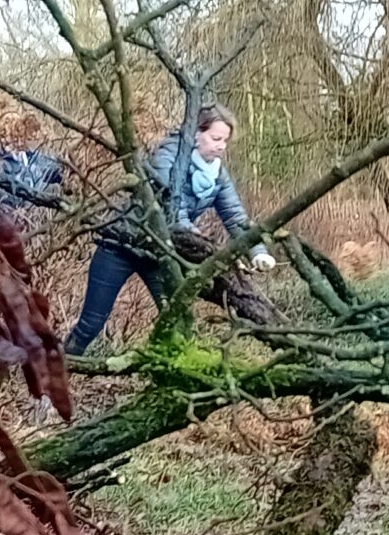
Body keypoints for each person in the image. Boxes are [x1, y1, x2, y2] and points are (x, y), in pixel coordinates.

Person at [63, 103, 279, 354]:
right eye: (216, 138)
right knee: (91, 325)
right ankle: (48, 387)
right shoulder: (167, 157)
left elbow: (234, 215)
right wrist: (200, 243)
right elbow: (172, 208)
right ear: (196, 133)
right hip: (121, 247)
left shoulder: (217, 173)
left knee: (179, 324)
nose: (221, 146)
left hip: (159, 254)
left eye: (225, 141)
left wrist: (258, 251)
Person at [0, 111, 67, 227]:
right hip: (3, 229)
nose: (7, 139)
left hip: (33, 226)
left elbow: (59, 172)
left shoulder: (34, 159)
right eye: (3, 134)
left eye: (13, 134)